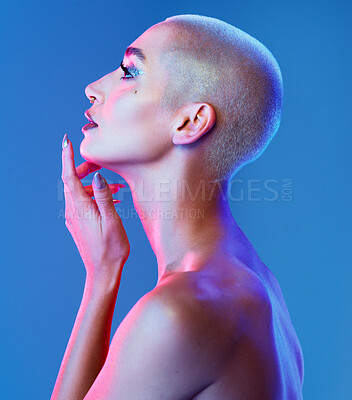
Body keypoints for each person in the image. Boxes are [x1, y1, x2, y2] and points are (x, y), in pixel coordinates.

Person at [51, 14, 304, 400]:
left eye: (129, 71)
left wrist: (101, 280)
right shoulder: (256, 286)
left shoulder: (179, 312)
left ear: (190, 121)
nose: (92, 88)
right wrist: (102, 271)